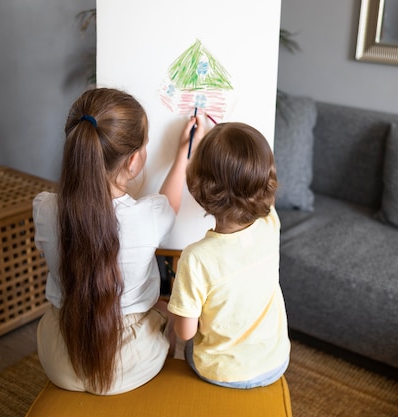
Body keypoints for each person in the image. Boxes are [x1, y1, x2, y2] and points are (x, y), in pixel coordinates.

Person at [32, 87, 205, 395]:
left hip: (59, 356)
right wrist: (183, 156)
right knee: (167, 309)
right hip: (129, 364)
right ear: (134, 162)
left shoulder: (44, 208)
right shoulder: (148, 216)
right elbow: (169, 204)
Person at [167, 122, 291, 389]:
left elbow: (185, 332)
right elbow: (262, 188)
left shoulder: (196, 258)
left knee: (173, 332)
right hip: (275, 362)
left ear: (198, 187)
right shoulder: (271, 223)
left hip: (219, 371)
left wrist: (192, 149)